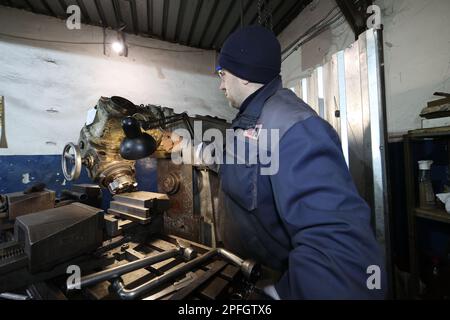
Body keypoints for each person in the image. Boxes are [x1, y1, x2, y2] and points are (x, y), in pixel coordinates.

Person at [212, 25, 387, 299]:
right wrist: (187, 147)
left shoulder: (295, 129)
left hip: (273, 280)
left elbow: (337, 248)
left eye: (223, 74)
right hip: (244, 273)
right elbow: (234, 164)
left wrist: (280, 295)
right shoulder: (251, 123)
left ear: (244, 75)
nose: (221, 84)